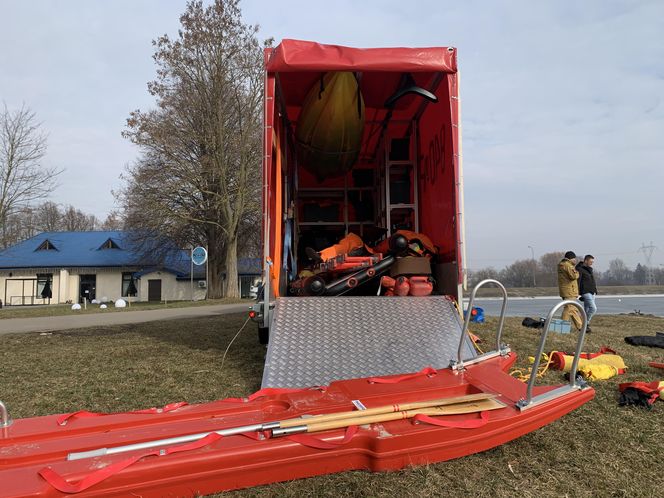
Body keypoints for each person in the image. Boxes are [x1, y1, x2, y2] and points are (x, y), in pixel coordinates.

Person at [557, 251, 583, 331]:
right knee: (569, 309)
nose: (575, 260)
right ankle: (561, 328)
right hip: (569, 291)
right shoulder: (568, 265)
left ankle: (581, 327)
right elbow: (573, 276)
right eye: (574, 258)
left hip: (566, 290)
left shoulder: (562, 265)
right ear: (570, 258)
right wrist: (578, 272)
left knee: (573, 309)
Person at [576, 254, 597, 332]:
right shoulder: (579, 269)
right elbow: (577, 282)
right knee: (593, 308)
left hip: (592, 292)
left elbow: (592, 281)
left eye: (592, 262)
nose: (592, 263)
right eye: (591, 261)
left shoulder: (589, 269)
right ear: (585, 261)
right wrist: (578, 295)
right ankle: (585, 323)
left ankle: (585, 327)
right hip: (585, 292)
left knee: (586, 310)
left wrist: (595, 291)